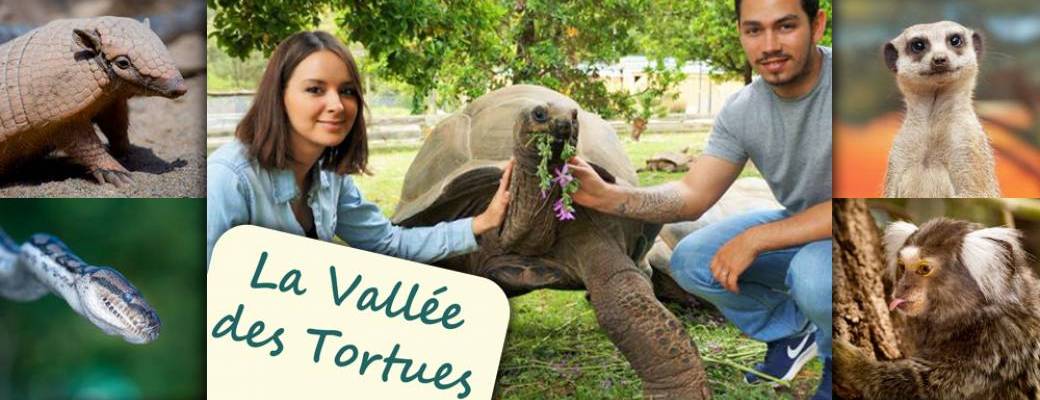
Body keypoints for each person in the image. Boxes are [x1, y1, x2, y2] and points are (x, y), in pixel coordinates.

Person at [567, 0, 831, 398]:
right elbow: (692, 194)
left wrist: (757, 238)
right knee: (693, 260)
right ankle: (792, 332)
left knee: (814, 276)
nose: (769, 45)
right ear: (740, 32)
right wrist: (610, 196)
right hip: (806, 225)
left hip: (874, 232)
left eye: (786, 26)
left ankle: (842, 360)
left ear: (818, 25)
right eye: (754, 30)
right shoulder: (744, 109)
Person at [207, 31, 511, 267]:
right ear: (279, 96)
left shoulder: (329, 178)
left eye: (347, 91)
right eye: (315, 89)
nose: (337, 105)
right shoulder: (228, 179)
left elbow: (387, 243)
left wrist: (480, 223)